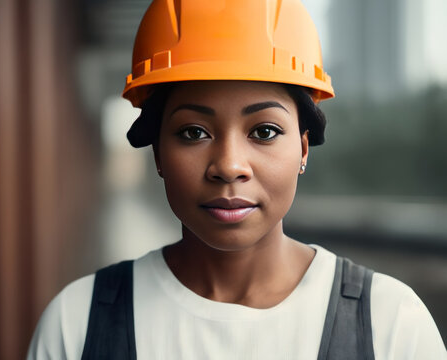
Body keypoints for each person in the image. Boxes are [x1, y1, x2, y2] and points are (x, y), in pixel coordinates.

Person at [27, 0, 446, 359]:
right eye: (193, 132)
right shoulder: (76, 325)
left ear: (303, 149)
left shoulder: (391, 326)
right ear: (157, 153)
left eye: (264, 131)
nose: (229, 166)